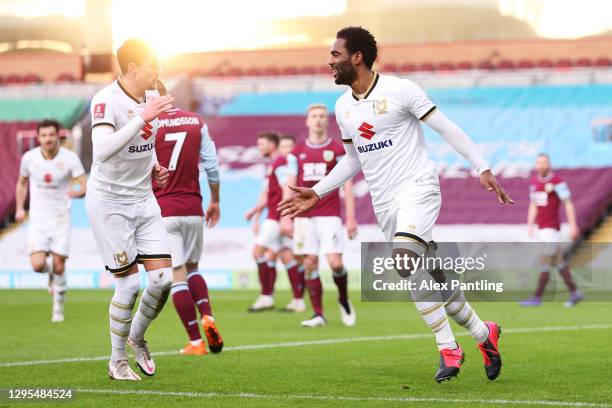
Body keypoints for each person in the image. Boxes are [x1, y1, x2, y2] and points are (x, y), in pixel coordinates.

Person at [278, 26, 514, 383]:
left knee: (405, 261)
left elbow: (446, 127)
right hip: (385, 203)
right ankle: (485, 334)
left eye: (335, 55)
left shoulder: (401, 90)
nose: (330, 62)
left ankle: (448, 348)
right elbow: (353, 159)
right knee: (432, 277)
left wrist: (481, 166)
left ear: (356, 57)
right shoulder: (343, 108)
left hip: (418, 188)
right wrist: (319, 190)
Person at [86, 38, 173, 380]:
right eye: (154, 64)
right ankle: (117, 361)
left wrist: (154, 166)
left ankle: (137, 336)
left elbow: (145, 141)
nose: (159, 71)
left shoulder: (150, 96)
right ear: (133, 68)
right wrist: (141, 119)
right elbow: (101, 150)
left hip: (143, 200)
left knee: (163, 280)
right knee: (128, 286)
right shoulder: (106, 102)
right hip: (110, 204)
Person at [153, 81, 224, 355]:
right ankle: (208, 315)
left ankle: (195, 341)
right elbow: (212, 166)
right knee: (194, 267)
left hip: (164, 209)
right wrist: (215, 200)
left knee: (177, 275)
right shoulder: (196, 121)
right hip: (193, 207)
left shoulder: (148, 125)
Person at [283, 103, 358, 327]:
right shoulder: (296, 152)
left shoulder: (336, 150)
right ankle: (318, 314)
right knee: (309, 262)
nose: (317, 119)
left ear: (327, 121)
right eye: (314, 116)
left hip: (330, 214)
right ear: (307, 121)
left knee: (335, 263)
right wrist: (285, 216)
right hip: (304, 216)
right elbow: (291, 185)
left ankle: (343, 298)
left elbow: (347, 186)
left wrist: (351, 217)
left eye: (322, 116)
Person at [15, 119, 86, 323]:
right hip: (38, 219)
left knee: (59, 265)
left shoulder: (70, 158)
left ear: (58, 136)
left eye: (51, 135)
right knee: (38, 265)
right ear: (39, 137)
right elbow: (21, 183)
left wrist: (77, 192)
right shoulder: (29, 158)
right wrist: (20, 208)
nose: (47, 139)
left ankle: (58, 308)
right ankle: (50, 276)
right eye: (44, 135)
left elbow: (84, 184)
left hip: (60, 218)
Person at [245, 133, 305, 312]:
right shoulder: (274, 164)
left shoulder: (279, 163)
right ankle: (298, 300)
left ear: (272, 145)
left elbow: (284, 188)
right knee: (285, 255)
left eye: (262, 144)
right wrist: (256, 214)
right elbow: (266, 193)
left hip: (276, 216)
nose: (259, 147)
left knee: (258, 252)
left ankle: (266, 296)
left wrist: (283, 215)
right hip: (275, 214)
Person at [521, 153, 583, 307]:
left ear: (549, 164)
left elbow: (568, 203)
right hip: (541, 228)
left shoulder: (557, 182)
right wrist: (530, 223)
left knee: (545, 260)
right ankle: (575, 293)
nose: (542, 165)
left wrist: (573, 224)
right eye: (539, 163)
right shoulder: (534, 182)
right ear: (536, 165)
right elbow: (534, 204)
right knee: (558, 261)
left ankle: (537, 297)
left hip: (552, 228)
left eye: (544, 162)